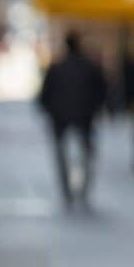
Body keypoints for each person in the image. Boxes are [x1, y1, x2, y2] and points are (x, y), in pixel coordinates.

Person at [39, 32, 107, 208]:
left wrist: (52, 111)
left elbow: (44, 96)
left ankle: (67, 191)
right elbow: (102, 92)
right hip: (84, 118)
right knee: (86, 155)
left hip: (61, 119)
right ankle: (82, 191)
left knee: (62, 156)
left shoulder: (56, 68)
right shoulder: (90, 67)